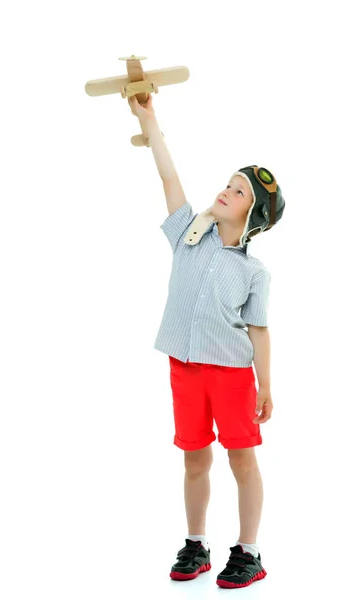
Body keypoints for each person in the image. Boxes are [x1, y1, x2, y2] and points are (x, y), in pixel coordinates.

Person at [128, 94, 285, 589]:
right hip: (185, 370)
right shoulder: (187, 235)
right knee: (194, 457)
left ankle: (249, 550)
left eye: (238, 191)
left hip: (233, 377)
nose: (226, 191)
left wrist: (265, 385)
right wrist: (149, 121)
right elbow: (169, 178)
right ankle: (196, 545)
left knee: (242, 458)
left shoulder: (254, 271)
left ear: (253, 215)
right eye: (228, 183)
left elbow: (258, 329)